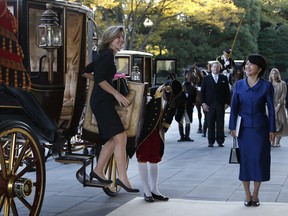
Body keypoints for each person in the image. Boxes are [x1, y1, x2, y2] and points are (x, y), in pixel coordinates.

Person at [87, 26, 139, 193]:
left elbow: (86, 72)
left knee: (113, 139)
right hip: (102, 102)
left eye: (122, 37)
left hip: (102, 101)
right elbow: (101, 80)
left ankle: (98, 170)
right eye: (118, 37)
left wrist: (104, 82)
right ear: (110, 39)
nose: (121, 40)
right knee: (121, 138)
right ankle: (123, 178)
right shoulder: (107, 56)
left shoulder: (106, 56)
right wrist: (117, 94)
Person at [229, 54, 276, 207]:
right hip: (243, 131)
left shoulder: (266, 86)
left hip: (261, 131)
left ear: (259, 68)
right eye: (246, 64)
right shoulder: (239, 85)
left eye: (251, 64)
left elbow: (271, 109)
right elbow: (234, 108)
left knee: (259, 161)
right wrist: (232, 127)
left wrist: (272, 129)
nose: (247, 67)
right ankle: (247, 194)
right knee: (246, 162)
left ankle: (256, 194)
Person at [136, 79, 182, 202]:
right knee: (143, 158)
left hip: (158, 132)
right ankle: (146, 191)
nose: (169, 96)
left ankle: (154, 189)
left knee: (154, 159)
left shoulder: (173, 99)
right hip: (145, 131)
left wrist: (164, 129)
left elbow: (170, 116)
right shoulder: (152, 92)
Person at [201, 62, 230, 147]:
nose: (216, 69)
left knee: (220, 123)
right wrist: (203, 103)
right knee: (210, 123)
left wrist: (227, 103)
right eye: (214, 67)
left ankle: (220, 141)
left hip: (220, 104)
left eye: (217, 67)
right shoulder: (206, 78)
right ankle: (211, 141)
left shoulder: (224, 78)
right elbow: (202, 92)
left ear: (219, 68)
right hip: (209, 105)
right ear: (211, 68)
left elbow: (227, 92)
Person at [175, 69, 197, 142]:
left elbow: (194, 98)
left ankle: (187, 136)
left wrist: (192, 104)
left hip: (188, 107)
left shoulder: (193, 88)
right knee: (180, 122)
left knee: (188, 122)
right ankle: (182, 136)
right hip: (181, 107)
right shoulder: (180, 87)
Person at [269, 68, 288, 147]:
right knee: (271, 123)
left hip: (280, 105)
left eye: (275, 73)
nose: (274, 75)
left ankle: (277, 142)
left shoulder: (282, 83)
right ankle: (271, 141)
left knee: (281, 123)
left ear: (278, 74)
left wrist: (279, 105)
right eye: (272, 73)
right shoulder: (268, 84)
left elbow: (284, 95)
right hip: (270, 105)